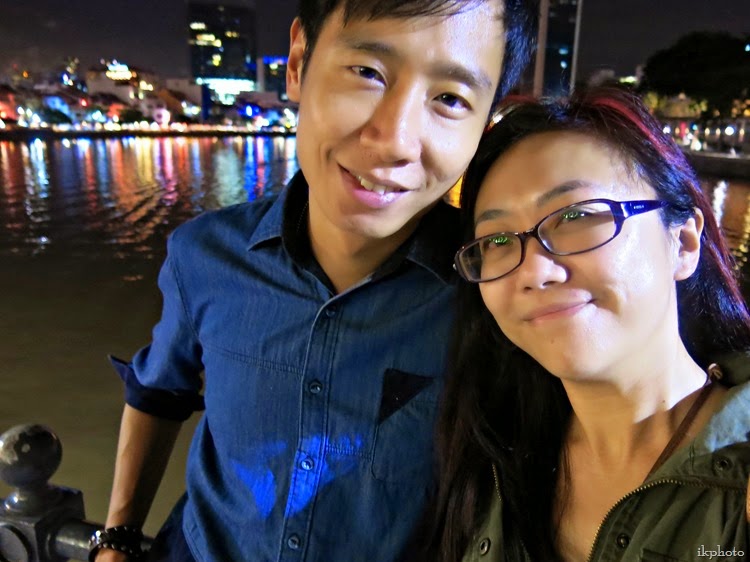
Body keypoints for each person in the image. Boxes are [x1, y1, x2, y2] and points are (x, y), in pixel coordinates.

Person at [90, 1, 540, 561]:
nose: (395, 141)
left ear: (486, 124)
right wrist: (119, 535)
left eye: (450, 99)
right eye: (368, 72)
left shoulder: (495, 291)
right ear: (299, 62)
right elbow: (158, 391)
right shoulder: (203, 256)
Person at [420, 86, 750, 562]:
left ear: (683, 243)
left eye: (576, 216)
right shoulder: (488, 455)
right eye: (496, 241)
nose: (534, 271)